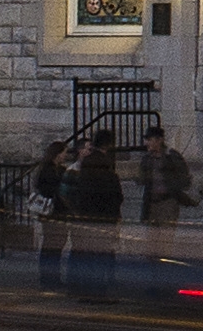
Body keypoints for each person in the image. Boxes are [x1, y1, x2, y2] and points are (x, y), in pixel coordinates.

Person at [136, 125, 193, 295]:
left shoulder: (171, 157)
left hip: (168, 202)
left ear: (159, 140)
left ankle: (165, 283)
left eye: (150, 139)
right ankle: (155, 281)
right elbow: (142, 179)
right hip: (152, 203)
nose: (147, 143)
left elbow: (184, 179)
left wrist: (173, 185)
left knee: (165, 245)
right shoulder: (147, 159)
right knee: (152, 246)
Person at [67, 132, 123, 300]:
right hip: (102, 215)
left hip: (87, 215)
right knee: (100, 256)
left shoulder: (87, 164)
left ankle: (85, 290)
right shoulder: (105, 164)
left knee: (88, 255)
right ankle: (98, 292)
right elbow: (113, 192)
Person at [30, 131, 72, 287]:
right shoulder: (49, 170)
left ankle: (50, 278)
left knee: (53, 246)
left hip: (53, 212)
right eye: (64, 153)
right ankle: (49, 278)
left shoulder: (51, 169)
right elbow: (51, 190)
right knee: (52, 246)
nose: (65, 156)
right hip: (53, 211)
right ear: (57, 154)